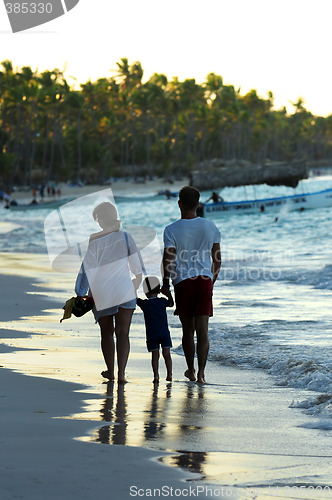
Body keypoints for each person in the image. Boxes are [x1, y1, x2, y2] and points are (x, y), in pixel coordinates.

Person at [75, 201, 142, 383]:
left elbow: (86, 268)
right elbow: (137, 270)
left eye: (97, 219)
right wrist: (134, 287)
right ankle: (121, 375)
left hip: (101, 290)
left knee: (106, 333)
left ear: (102, 219)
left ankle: (111, 372)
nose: (97, 223)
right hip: (123, 288)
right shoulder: (127, 237)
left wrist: (80, 292)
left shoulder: (94, 239)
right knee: (123, 333)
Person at [161, 186, 221, 384]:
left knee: (188, 330)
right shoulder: (210, 226)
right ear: (198, 204)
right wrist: (211, 279)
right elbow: (217, 258)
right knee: (203, 330)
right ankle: (202, 374)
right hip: (204, 280)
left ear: (179, 203)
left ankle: (191, 370)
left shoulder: (171, 230)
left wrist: (165, 284)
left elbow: (168, 259)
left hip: (183, 282)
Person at [137, 276, 173, 383]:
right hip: (164, 332)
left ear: (145, 291)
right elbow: (171, 303)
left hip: (152, 334)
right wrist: (168, 293)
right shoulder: (162, 301)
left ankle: (156, 376)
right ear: (159, 290)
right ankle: (169, 374)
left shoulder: (144, 304)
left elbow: (134, 299)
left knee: (155, 355)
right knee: (166, 354)